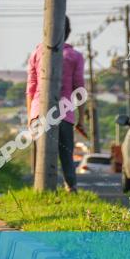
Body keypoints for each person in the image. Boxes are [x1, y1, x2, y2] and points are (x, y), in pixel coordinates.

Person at [26, 16, 86, 192]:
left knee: (39, 155)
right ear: (67, 33)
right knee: (66, 154)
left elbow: (30, 88)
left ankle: (39, 189)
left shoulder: (37, 53)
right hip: (64, 113)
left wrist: (31, 116)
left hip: (38, 112)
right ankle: (71, 187)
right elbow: (79, 88)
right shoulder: (74, 56)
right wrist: (81, 119)